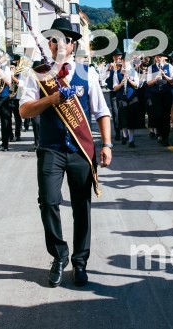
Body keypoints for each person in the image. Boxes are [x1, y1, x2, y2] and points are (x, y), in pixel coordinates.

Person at [19, 17, 112, 288]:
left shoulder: (87, 73)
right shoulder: (38, 73)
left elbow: (102, 112)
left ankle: (80, 262)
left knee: (82, 208)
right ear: (48, 43)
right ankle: (59, 256)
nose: (59, 44)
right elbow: (24, 110)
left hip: (81, 151)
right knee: (48, 202)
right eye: (54, 39)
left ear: (73, 45)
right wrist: (51, 99)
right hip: (50, 148)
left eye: (65, 40)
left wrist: (106, 145)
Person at [113, 57, 143, 147]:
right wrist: (121, 83)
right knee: (123, 118)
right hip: (122, 98)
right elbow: (115, 88)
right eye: (124, 61)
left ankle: (131, 140)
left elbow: (137, 85)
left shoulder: (133, 72)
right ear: (121, 62)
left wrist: (129, 79)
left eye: (127, 61)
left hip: (132, 98)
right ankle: (125, 136)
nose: (125, 63)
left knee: (131, 119)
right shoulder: (117, 73)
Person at [147, 52, 173, 146]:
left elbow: (172, 81)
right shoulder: (151, 67)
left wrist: (164, 75)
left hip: (166, 93)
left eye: (160, 56)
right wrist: (156, 78)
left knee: (166, 115)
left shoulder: (169, 66)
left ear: (164, 58)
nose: (158, 58)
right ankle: (159, 134)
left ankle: (165, 137)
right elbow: (148, 83)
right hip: (156, 93)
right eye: (156, 56)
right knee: (158, 114)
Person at [104, 51, 123, 143]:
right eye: (116, 57)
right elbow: (103, 79)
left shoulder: (124, 66)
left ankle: (125, 132)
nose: (118, 59)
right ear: (113, 58)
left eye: (119, 57)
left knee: (123, 111)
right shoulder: (109, 66)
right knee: (115, 113)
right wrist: (108, 70)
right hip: (114, 92)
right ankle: (118, 132)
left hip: (123, 92)